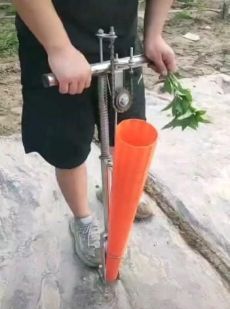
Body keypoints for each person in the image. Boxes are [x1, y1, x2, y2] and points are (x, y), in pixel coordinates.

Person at [13, 0, 176, 268]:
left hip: (119, 39)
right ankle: (83, 220)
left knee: (124, 129)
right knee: (68, 143)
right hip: (53, 39)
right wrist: (59, 48)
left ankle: (116, 194)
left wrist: (154, 33)